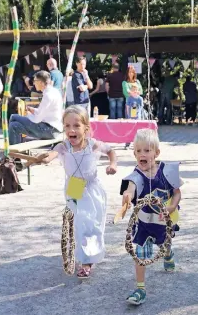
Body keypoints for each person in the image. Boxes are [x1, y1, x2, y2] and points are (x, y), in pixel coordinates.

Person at [40, 105, 117, 278]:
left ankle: (89, 257)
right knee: (80, 223)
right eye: (67, 126)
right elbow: (52, 154)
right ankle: (85, 261)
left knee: (92, 224)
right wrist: (46, 158)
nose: (71, 130)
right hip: (74, 187)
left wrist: (113, 164)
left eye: (76, 125)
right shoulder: (64, 147)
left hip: (92, 188)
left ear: (86, 128)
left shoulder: (92, 145)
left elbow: (111, 151)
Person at [120, 129, 183, 305]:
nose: (142, 154)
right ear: (134, 154)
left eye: (147, 150)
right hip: (144, 224)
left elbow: (177, 193)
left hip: (164, 222)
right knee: (139, 254)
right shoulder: (136, 176)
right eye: (138, 151)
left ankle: (168, 254)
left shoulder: (167, 171)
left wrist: (171, 206)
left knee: (165, 244)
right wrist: (127, 194)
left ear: (156, 152)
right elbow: (131, 188)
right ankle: (140, 288)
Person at [9, 70, 63, 145]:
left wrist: (27, 114)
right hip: (52, 129)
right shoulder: (55, 91)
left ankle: (12, 153)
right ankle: (15, 154)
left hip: (48, 130)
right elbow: (44, 113)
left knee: (13, 117)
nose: (34, 83)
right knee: (14, 126)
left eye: (35, 81)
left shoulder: (48, 95)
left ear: (41, 82)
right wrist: (33, 110)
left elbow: (37, 119)